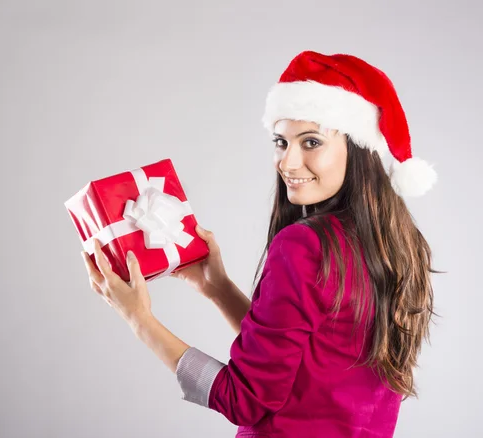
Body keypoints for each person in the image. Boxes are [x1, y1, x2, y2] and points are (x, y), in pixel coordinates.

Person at [81, 51, 439, 438]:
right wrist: (217, 289)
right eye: (281, 142)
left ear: (359, 149)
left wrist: (140, 320)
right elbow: (301, 359)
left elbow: (244, 399)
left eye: (311, 142)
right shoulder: (400, 246)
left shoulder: (304, 245)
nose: (288, 162)